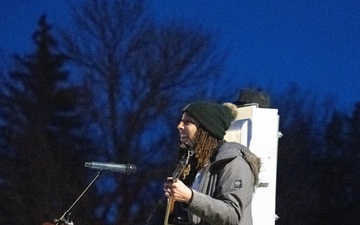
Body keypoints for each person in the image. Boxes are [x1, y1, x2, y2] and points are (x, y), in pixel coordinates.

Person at [146, 101, 261, 225]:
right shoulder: (189, 162)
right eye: (181, 121)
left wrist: (190, 197)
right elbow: (164, 208)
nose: (179, 126)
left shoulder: (234, 162)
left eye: (187, 122)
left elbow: (232, 214)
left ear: (205, 129)